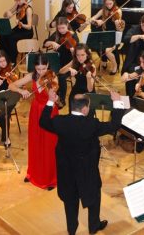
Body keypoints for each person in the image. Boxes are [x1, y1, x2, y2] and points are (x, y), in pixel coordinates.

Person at [39, 89, 125, 235]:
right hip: (87, 171)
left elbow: (43, 122)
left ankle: (71, 230)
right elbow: (114, 125)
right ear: (85, 108)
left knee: (70, 202)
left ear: (72, 107)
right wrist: (117, 101)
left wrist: (50, 101)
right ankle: (93, 226)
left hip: (66, 172)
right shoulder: (91, 124)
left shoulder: (59, 122)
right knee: (94, 196)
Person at [9, 53, 58, 190]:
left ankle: (50, 178)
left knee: (49, 144)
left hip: (49, 111)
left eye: (43, 68)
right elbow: (11, 85)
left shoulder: (53, 77)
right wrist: (21, 91)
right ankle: (33, 173)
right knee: (35, 142)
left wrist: (50, 88)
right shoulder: (32, 76)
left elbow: (55, 99)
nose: (41, 72)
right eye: (38, 69)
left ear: (47, 65)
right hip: (36, 111)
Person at [44, 17, 79, 109]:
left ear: (67, 25)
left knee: (61, 77)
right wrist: (52, 42)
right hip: (59, 61)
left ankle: (62, 99)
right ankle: (52, 95)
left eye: (63, 28)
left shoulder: (73, 35)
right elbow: (45, 43)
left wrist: (73, 51)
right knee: (50, 73)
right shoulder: (57, 35)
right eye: (59, 28)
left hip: (71, 63)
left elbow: (78, 54)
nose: (61, 30)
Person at [90, 0, 125, 74]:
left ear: (114, 2)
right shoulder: (103, 10)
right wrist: (96, 21)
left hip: (115, 36)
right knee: (96, 44)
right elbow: (92, 18)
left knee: (107, 50)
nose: (109, 6)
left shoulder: (118, 11)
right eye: (107, 4)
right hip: (106, 35)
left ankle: (115, 66)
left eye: (110, 4)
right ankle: (104, 60)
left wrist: (117, 23)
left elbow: (119, 29)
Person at [59, 43, 96, 111]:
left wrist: (88, 78)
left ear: (87, 54)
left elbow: (90, 89)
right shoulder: (75, 61)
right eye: (78, 55)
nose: (80, 58)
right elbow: (61, 71)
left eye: (82, 55)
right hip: (77, 88)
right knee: (71, 100)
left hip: (87, 92)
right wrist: (70, 69)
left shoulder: (92, 67)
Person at [1, 0, 34, 64]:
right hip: (19, 29)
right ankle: (4, 57)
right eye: (16, 0)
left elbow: (29, 26)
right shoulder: (17, 6)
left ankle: (13, 60)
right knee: (3, 34)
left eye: (19, 0)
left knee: (11, 37)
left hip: (27, 31)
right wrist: (7, 13)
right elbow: (5, 15)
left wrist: (21, 24)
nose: (17, 2)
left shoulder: (28, 9)